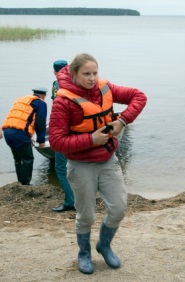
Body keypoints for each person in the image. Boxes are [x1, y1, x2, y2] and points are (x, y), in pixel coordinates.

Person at [48, 53, 147, 274]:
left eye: (95, 73)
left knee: (119, 208)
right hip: (80, 165)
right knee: (86, 215)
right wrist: (91, 139)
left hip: (108, 160)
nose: (92, 78)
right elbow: (56, 142)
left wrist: (122, 121)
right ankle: (84, 253)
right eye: (86, 74)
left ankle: (104, 245)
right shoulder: (64, 101)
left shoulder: (105, 88)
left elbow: (139, 97)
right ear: (74, 74)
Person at [1, 87, 48, 185]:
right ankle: (25, 185)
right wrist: (41, 141)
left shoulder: (22, 99)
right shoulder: (41, 103)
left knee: (18, 159)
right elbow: (40, 123)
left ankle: (20, 183)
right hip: (20, 134)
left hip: (7, 131)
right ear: (43, 96)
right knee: (27, 159)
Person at [50, 59, 76, 212]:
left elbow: (57, 109)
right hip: (80, 131)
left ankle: (71, 202)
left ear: (55, 72)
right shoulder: (80, 83)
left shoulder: (56, 85)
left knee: (61, 168)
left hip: (64, 131)